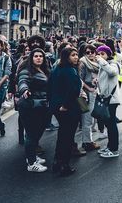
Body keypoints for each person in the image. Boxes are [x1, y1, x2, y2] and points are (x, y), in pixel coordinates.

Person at [48, 47, 82, 176]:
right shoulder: (70, 71)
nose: (76, 57)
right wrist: (66, 105)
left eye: (76, 55)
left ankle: (57, 162)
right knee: (68, 137)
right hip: (69, 108)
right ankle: (65, 165)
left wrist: (54, 104)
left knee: (62, 135)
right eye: (73, 55)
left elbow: (50, 88)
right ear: (66, 57)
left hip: (57, 107)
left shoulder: (56, 69)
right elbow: (73, 90)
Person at [17, 48, 50, 172]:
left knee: (38, 132)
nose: (38, 58)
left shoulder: (44, 70)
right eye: (36, 56)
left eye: (41, 56)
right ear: (31, 58)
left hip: (42, 106)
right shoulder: (26, 71)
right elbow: (22, 82)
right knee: (31, 134)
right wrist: (24, 90)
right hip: (29, 106)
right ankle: (31, 163)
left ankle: (32, 156)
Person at [95, 45, 121, 158]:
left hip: (111, 99)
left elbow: (112, 72)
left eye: (103, 54)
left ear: (108, 54)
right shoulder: (104, 64)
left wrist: (100, 60)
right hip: (106, 98)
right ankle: (110, 146)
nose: (100, 56)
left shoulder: (112, 64)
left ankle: (114, 149)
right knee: (108, 124)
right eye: (99, 54)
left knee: (111, 125)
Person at [79, 44, 100, 152]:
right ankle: (87, 142)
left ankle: (89, 140)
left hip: (94, 92)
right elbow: (79, 79)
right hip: (85, 95)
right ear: (83, 54)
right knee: (87, 119)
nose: (90, 54)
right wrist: (89, 88)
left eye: (92, 51)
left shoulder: (96, 63)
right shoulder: (82, 63)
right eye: (87, 52)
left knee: (92, 118)